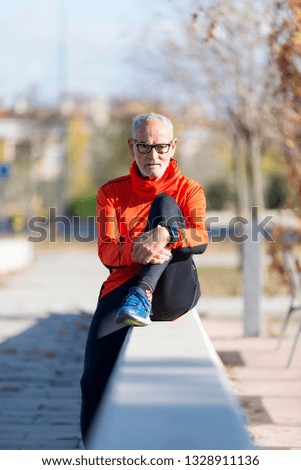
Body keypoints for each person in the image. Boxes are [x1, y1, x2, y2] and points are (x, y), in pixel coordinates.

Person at [80, 112, 208, 446]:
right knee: (93, 379)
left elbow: (201, 239)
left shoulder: (189, 190)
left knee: (165, 205)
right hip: (122, 286)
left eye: (161, 147)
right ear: (131, 147)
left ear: (173, 146)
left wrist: (165, 234)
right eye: (144, 146)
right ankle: (95, 454)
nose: (153, 155)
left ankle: (145, 290)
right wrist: (141, 249)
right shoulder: (111, 193)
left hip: (173, 287)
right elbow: (108, 253)